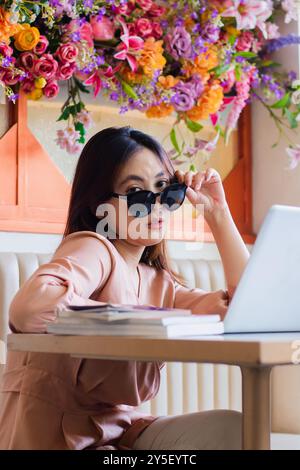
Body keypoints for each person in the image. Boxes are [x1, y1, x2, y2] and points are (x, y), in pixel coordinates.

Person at [0, 126, 249, 450]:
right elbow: (30, 307)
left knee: (233, 429)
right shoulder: (94, 248)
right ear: (98, 205)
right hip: (59, 438)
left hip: (121, 431)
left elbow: (244, 313)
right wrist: (134, 319)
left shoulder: (159, 283)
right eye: (138, 196)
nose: (157, 206)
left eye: (166, 191)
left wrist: (218, 215)